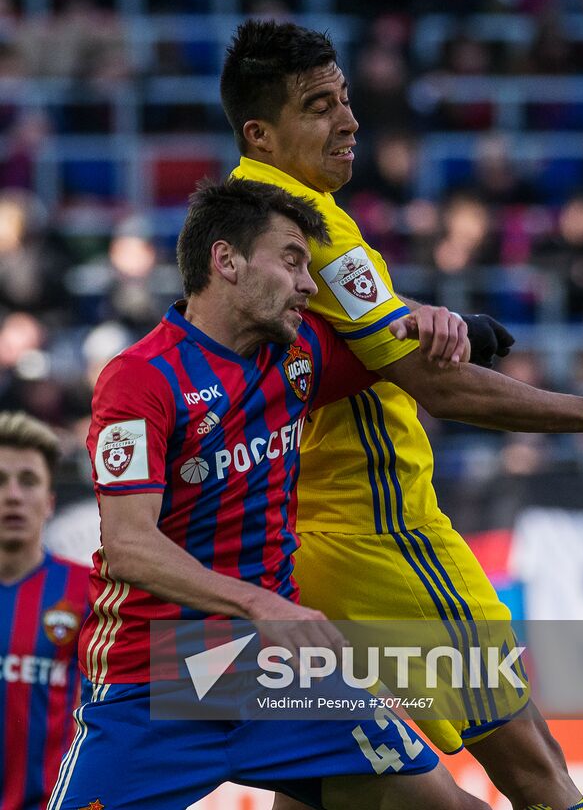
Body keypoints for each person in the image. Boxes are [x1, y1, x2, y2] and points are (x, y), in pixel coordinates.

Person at [223, 19, 583, 810]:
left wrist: (417, 315)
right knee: (537, 770)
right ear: (261, 130)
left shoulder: (241, 217)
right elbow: (438, 387)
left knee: (323, 787)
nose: (349, 121)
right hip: (387, 544)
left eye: (345, 99)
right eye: (319, 106)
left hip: (303, 549)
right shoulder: (310, 222)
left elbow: (326, 341)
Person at [48, 178, 488, 810]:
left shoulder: (298, 353)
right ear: (226, 261)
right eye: (291, 260)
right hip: (156, 676)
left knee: (447, 804)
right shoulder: (139, 380)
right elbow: (128, 545)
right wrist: (264, 607)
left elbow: (398, 342)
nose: (309, 284)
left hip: (271, 671)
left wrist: (444, 321)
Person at [0, 411, 89, 810]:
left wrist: (304, 676)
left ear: (50, 501)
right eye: (0, 481)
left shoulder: (90, 592)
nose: (13, 495)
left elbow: (173, 676)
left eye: (29, 481)